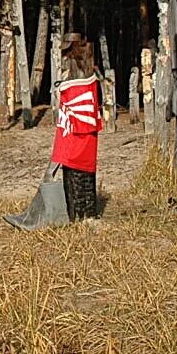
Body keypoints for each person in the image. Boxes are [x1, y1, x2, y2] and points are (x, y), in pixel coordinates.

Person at [53, 34, 102, 220]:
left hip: (80, 122)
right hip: (82, 121)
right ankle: (81, 211)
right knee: (79, 166)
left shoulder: (80, 63)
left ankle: (82, 212)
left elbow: (78, 90)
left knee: (79, 165)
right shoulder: (82, 64)